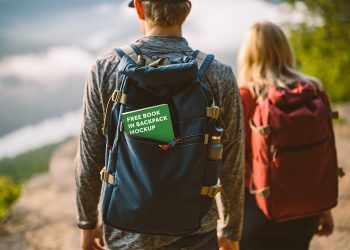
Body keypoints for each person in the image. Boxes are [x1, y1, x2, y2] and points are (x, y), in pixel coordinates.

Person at [75, 0, 244, 249]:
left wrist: (87, 224)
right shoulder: (218, 74)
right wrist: (231, 230)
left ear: (140, 8)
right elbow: (232, 163)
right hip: (196, 232)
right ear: (186, 10)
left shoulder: (107, 68)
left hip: (125, 232)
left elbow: (89, 158)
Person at [237, 21, 336, 250]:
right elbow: (325, 152)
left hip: (257, 209)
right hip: (306, 208)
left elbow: (235, 162)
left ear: (249, 54)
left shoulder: (245, 95)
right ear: (285, 49)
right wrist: (324, 209)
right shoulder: (313, 90)